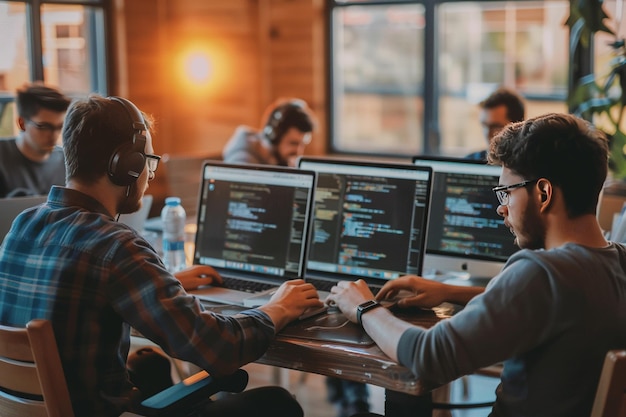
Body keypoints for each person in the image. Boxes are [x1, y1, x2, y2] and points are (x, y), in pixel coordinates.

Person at [0, 95, 324, 417]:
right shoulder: (115, 246)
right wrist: (278, 307)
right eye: (148, 161)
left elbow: (83, 287)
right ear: (126, 166)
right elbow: (219, 348)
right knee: (276, 403)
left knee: (150, 364)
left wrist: (161, 281)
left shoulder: (22, 225)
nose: (150, 174)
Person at [328, 113, 626, 417]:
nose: (501, 207)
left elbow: (429, 354)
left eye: (507, 192)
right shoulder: (616, 261)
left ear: (543, 193)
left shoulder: (540, 273)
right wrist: (448, 291)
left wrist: (364, 307)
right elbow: (551, 307)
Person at [0, 82, 71, 198]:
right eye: (44, 126)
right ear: (22, 123)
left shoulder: (67, 162)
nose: (54, 135)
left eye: (60, 127)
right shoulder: (2, 157)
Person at [222, 98, 316, 167]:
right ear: (274, 137)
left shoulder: (277, 160)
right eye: (293, 143)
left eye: (302, 144)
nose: (299, 152)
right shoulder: (242, 161)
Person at [465, 87, 525, 161]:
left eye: (495, 126)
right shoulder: (470, 161)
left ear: (518, 127)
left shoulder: (529, 167)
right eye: (484, 125)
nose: (487, 133)